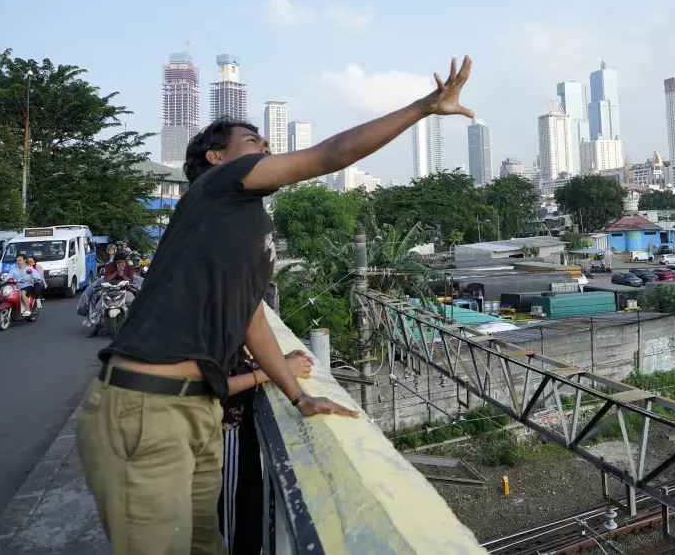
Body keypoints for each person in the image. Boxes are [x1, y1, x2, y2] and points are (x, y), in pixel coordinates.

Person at [75, 55, 473, 554]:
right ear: (219, 159)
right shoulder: (215, 187)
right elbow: (331, 155)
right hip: (147, 409)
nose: (264, 147)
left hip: (196, 411)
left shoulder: (242, 223)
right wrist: (423, 107)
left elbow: (250, 317)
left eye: (265, 142)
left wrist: (298, 394)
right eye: (251, 141)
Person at [218, 347, 313, 554]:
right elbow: (214, 384)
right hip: (225, 437)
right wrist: (277, 371)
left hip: (241, 434)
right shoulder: (200, 321)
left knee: (248, 518)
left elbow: (237, 361)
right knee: (232, 529)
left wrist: (279, 362)